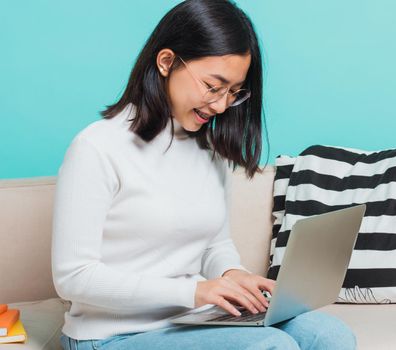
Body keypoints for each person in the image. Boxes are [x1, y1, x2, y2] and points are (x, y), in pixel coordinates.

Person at [51, 1, 357, 349]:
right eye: (213, 86)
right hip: (110, 335)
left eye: (233, 91)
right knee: (272, 346)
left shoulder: (209, 148)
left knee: (331, 335)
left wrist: (233, 276)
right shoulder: (96, 147)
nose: (222, 105)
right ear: (166, 62)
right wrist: (195, 291)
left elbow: (215, 244)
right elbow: (74, 278)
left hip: (191, 320)